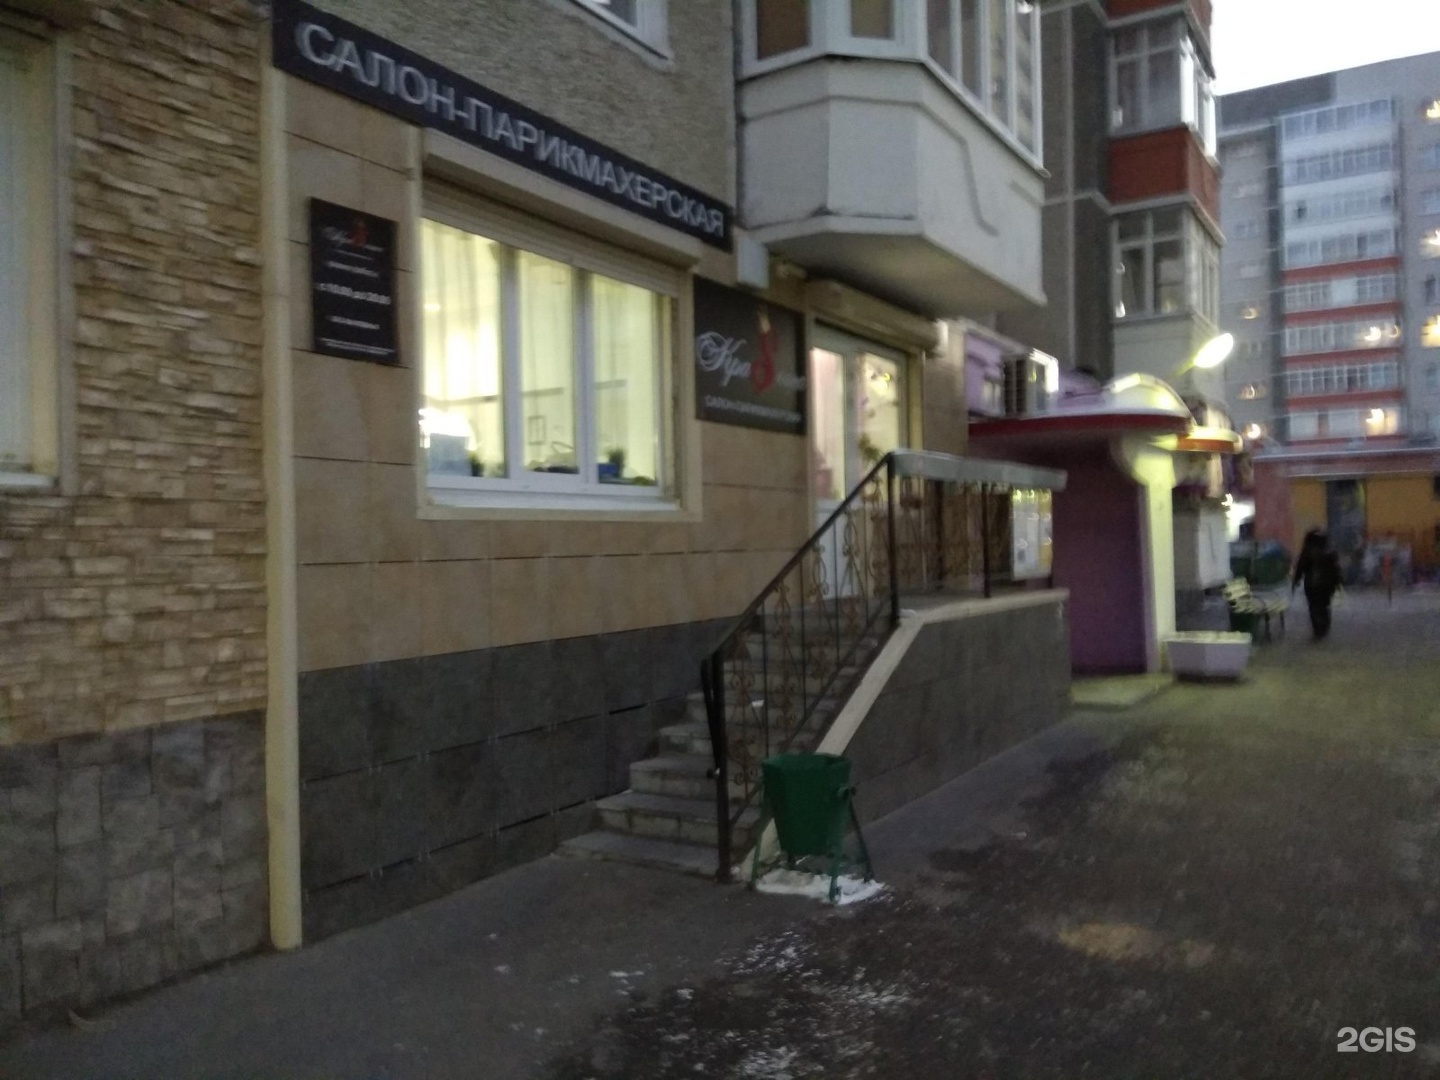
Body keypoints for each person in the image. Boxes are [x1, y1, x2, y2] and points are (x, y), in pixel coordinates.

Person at [1292, 528, 1342, 640]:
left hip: (1312, 584)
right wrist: (1337, 583)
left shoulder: (1307, 552)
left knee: (1313, 607)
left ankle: (1318, 629)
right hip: (1326, 585)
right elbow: (1335, 570)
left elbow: (1301, 566)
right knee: (1324, 606)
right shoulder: (1330, 552)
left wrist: (1296, 580)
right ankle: (1323, 627)